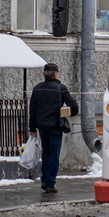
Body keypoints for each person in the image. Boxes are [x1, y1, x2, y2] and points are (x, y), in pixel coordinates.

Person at [29, 62, 77, 194]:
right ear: (55, 74)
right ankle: (50, 183)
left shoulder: (37, 88)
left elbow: (32, 110)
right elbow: (74, 106)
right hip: (55, 125)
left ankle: (44, 180)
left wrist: (32, 128)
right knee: (54, 155)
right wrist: (67, 114)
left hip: (42, 126)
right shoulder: (60, 88)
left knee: (46, 153)